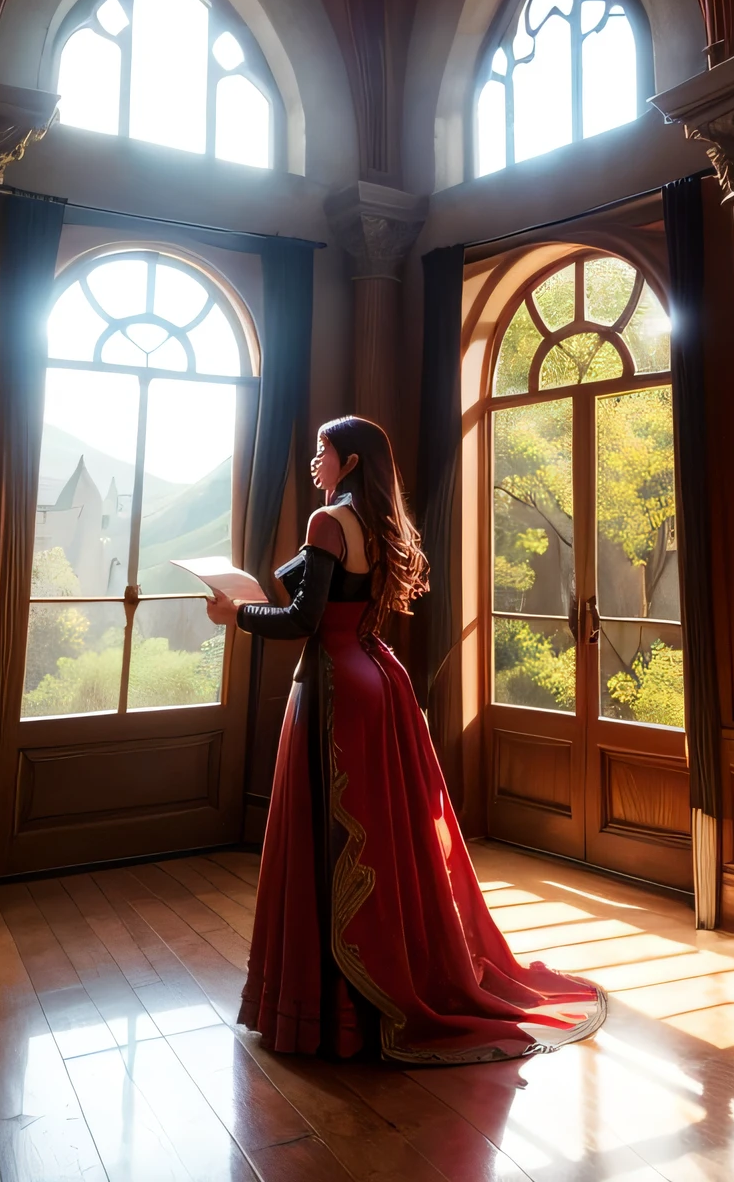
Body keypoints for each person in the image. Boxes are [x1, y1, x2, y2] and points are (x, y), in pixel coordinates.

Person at [207, 415, 605, 1064]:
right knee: (384, 841)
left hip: (335, 682)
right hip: (379, 676)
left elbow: (304, 620)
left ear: (351, 462)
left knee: (330, 844)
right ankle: (366, 998)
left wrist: (237, 613)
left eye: (323, 451)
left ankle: (333, 1014)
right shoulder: (372, 524)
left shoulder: (326, 524)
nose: (315, 461)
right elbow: (329, 594)